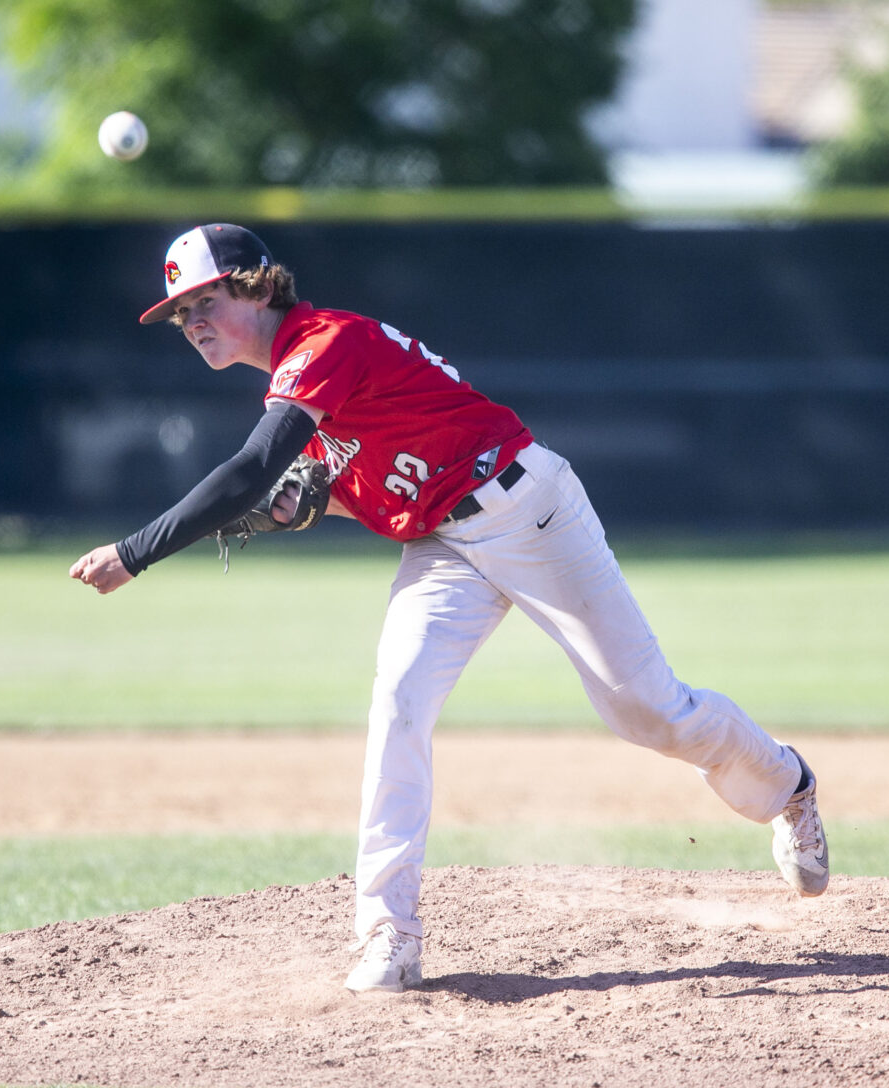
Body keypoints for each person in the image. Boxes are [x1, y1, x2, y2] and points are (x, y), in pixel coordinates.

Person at [70, 223, 829, 994]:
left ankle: (787, 785)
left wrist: (136, 552)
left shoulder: (324, 344)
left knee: (648, 711)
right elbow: (329, 482)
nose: (190, 320)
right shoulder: (302, 385)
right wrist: (309, 504)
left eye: (205, 297)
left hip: (529, 510)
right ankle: (388, 933)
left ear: (258, 284)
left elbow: (252, 468)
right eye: (179, 312)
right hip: (442, 547)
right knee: (399, 702)